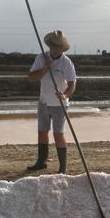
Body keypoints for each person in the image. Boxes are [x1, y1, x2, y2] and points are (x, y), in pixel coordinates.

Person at [27, 30, 76, 174]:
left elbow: (72, 84)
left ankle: (63, 168)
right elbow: (31, 77)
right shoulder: (41, 58)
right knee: (42, 132)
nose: (55, 51)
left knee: (58, 134)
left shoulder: (66, 63)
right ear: (49, 46)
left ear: (61, 49)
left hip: (59, 105)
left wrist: (65, 95)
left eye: (57, 49)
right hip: (43, 102)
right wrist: (45, 69)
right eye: (53, 48)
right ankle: (41, 162)